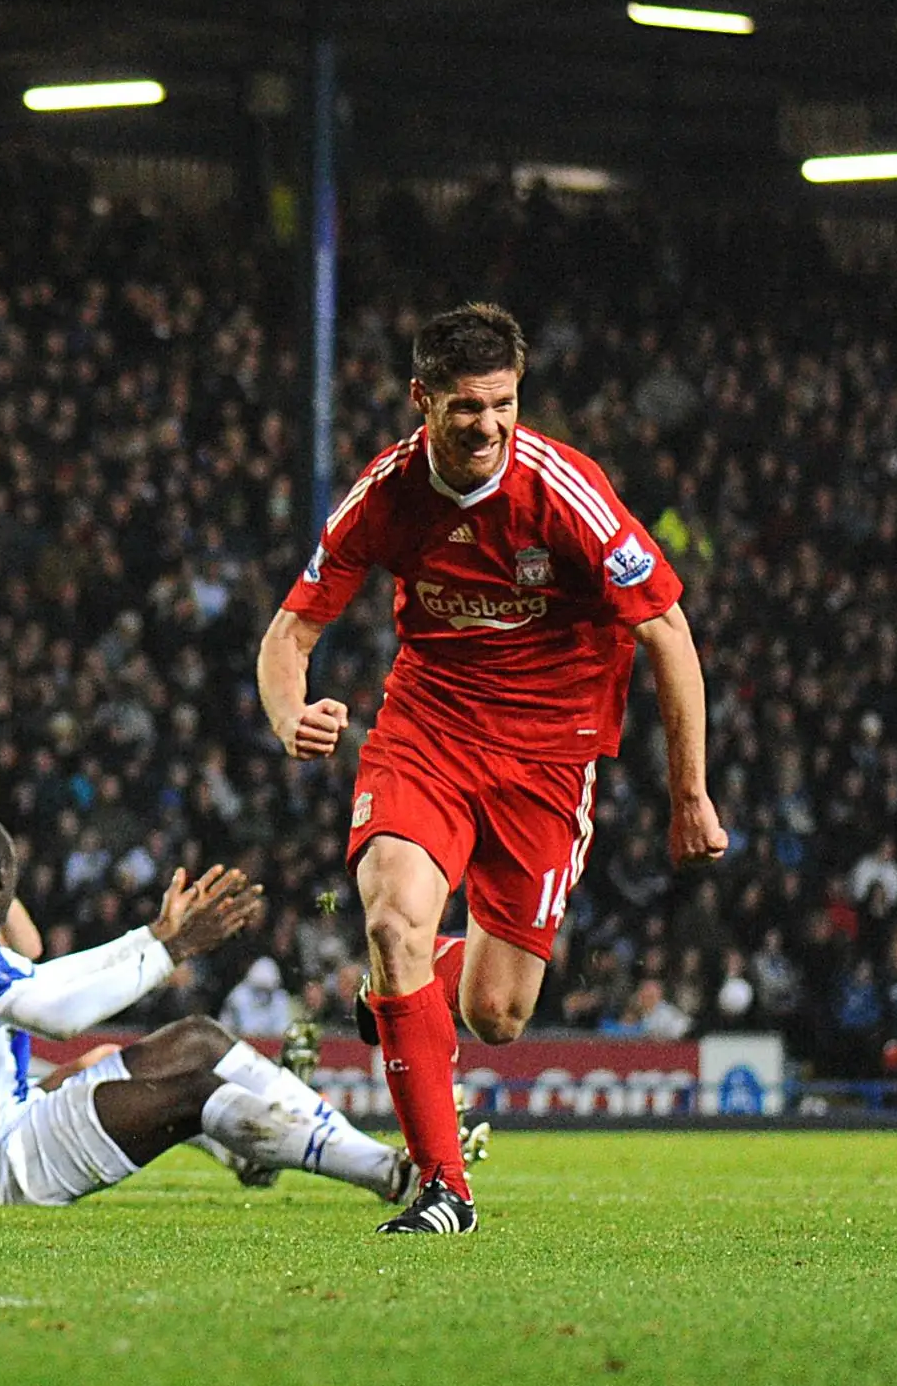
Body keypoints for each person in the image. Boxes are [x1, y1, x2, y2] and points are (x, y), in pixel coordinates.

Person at [257, 302, 727, 1233]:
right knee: (390, 919)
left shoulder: (563, 492)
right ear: (421, 399)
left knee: (497, 1014)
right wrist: (288, 715)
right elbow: (289, 632)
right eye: (466, 407)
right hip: (426, 732)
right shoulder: (385, 493)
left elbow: (667, 630)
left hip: (549, 757)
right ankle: (443, 1187)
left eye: (502, 403)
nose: (487, 425)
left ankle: (404, 984)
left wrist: (689, 795)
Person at [0, 813, 418, 1208]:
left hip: (7, 1131)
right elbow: (55, 1015)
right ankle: (389, 1175)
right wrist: (170, 953)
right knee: (195, 1092)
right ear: (4, 876)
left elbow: (46, 980)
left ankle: (376, 1161)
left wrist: (152, 938)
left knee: (198, 1040)